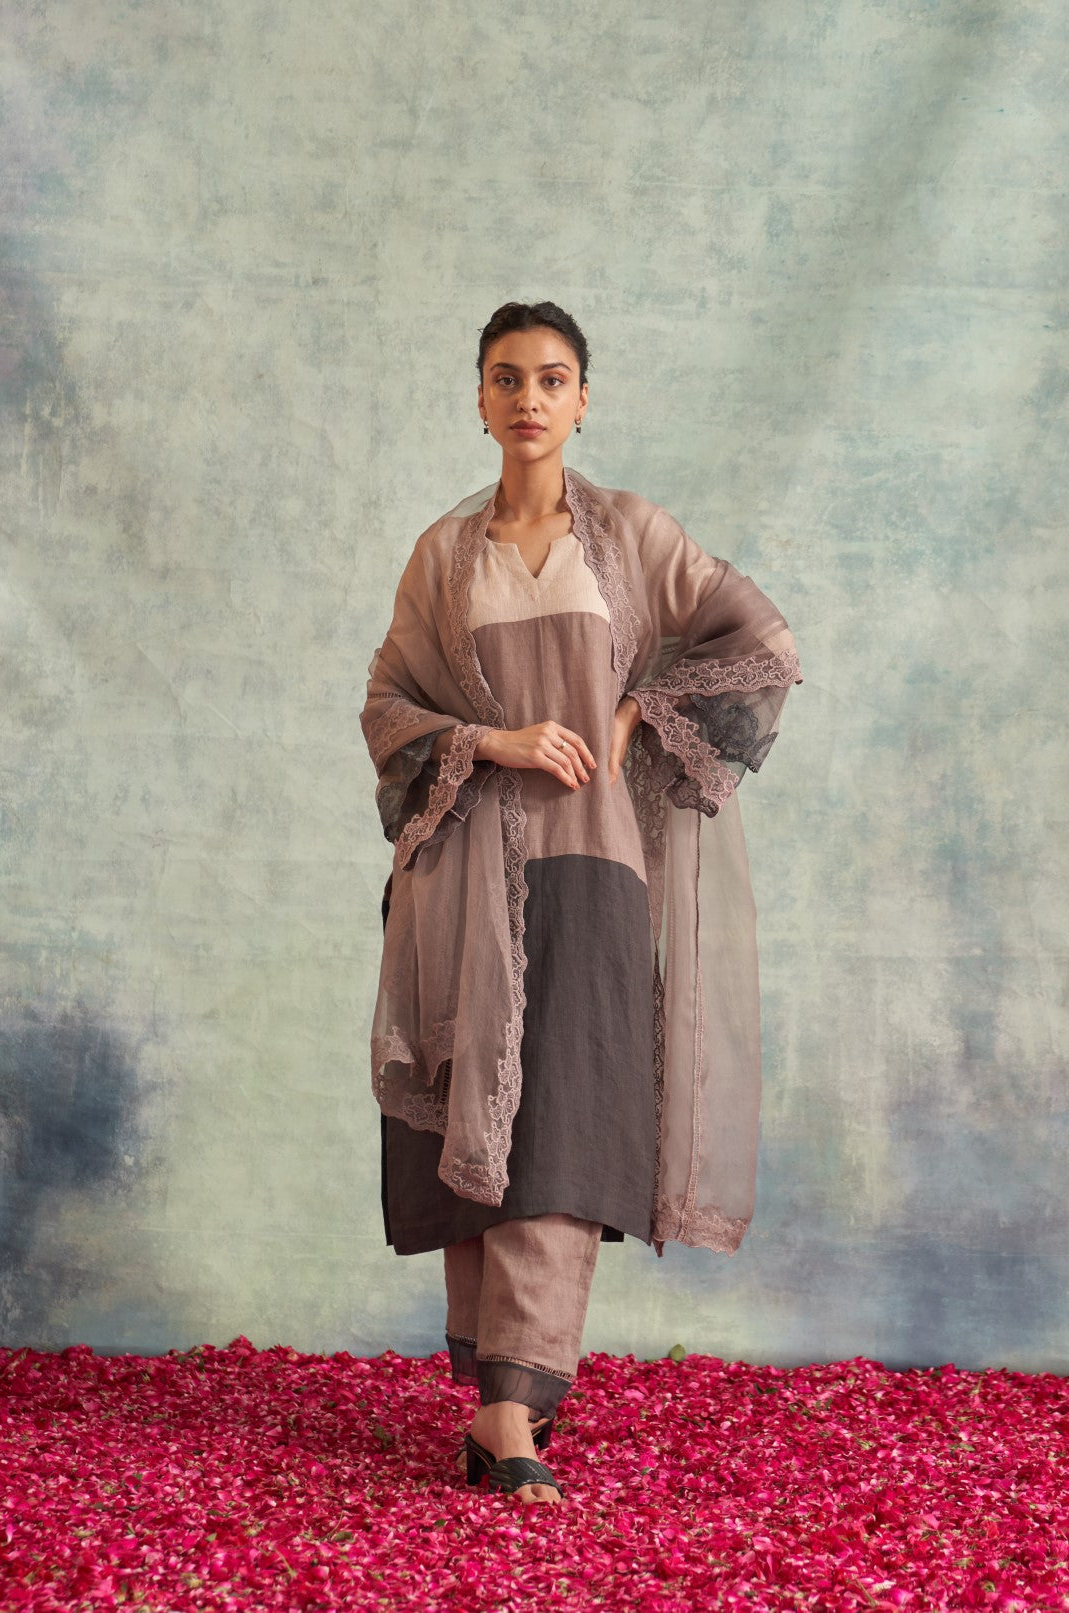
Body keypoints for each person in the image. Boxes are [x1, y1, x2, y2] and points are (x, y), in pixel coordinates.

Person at [359, 300, 802, 1507]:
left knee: (560, 1131)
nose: (530, 399)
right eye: (507, 378)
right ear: (480, 399)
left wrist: (633, 710)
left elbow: (759, 643)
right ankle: (499, 1413)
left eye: (553, 378)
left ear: (583, 400)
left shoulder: (633, 538)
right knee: (477, 1133)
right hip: (466, 876)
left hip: (595, 869)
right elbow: (389, 708)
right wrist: (495, 739)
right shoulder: (444, 557)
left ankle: (515, 1400)